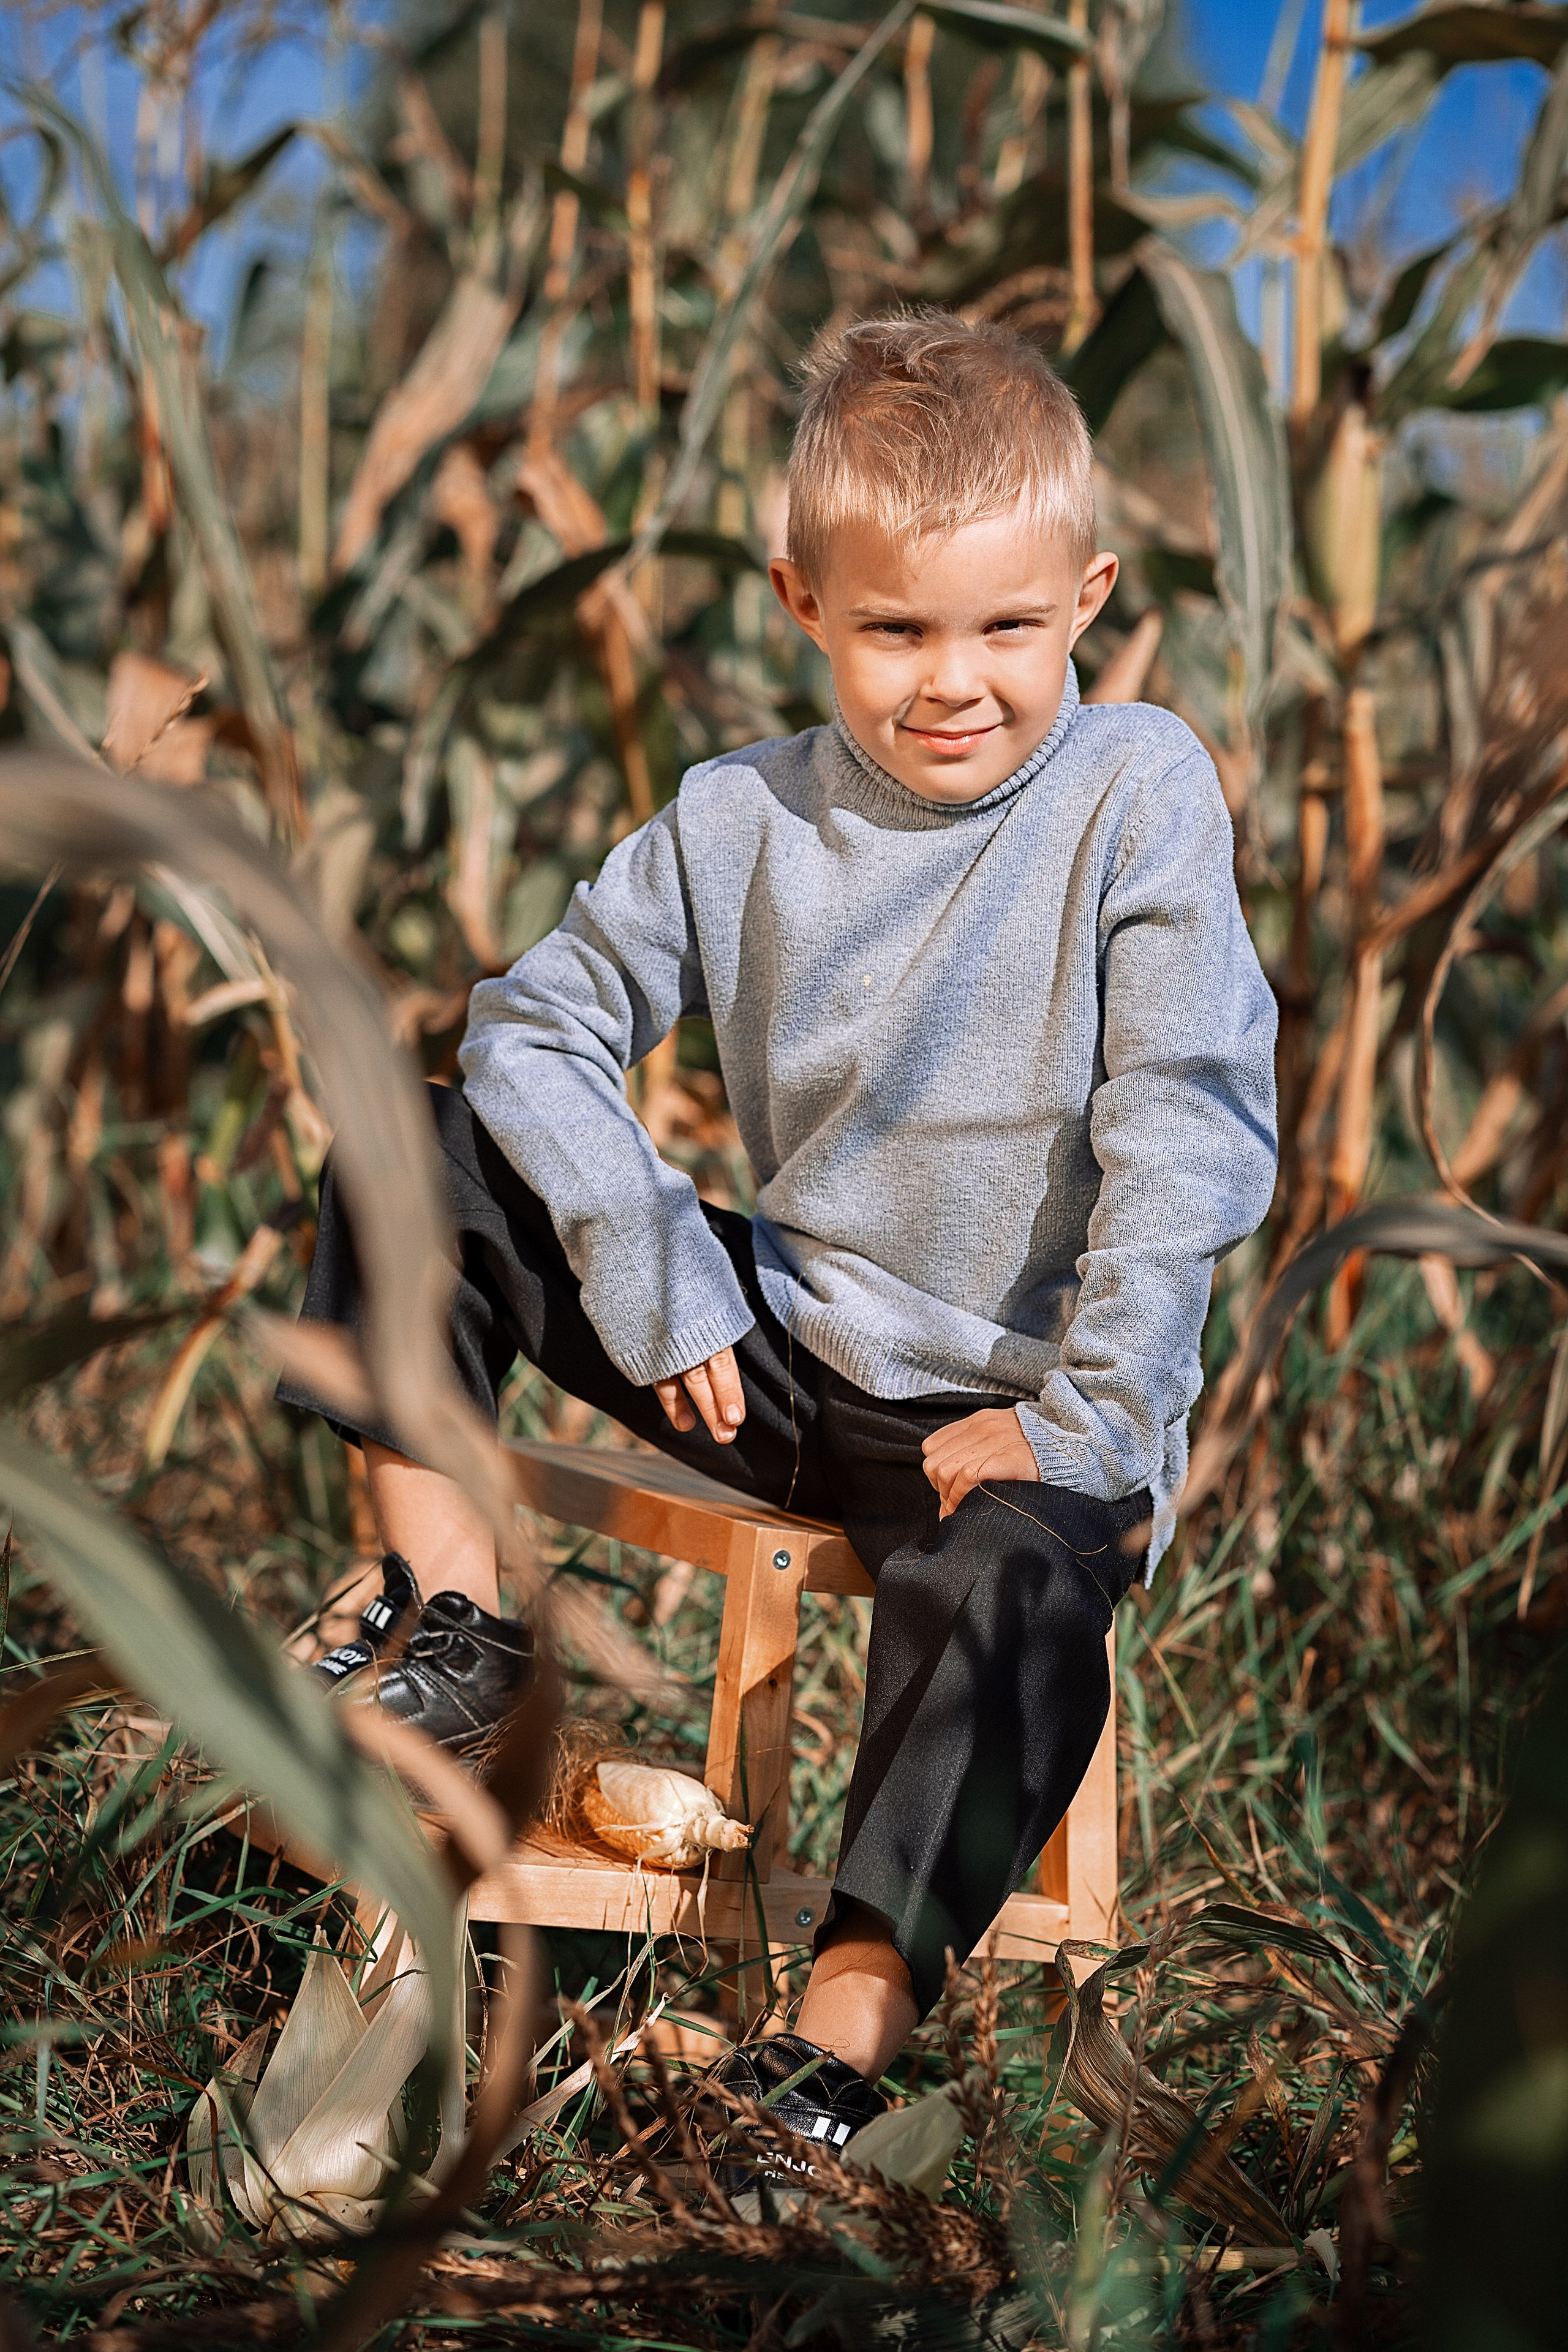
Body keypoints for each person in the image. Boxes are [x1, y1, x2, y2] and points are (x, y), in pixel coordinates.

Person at [279, 311, 1277, 2155]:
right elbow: (530, 1025)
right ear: (803, 600)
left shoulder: (1138, 790)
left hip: (1020, 1409)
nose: (953, 681)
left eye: (1008, 629)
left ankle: (843, 2022)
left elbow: (1189, 1131)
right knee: (405, 1147)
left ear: (1093, 600)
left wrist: (1088, 1423)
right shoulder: (738, 813)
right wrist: (655, 1274)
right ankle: (460, 1615)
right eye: (895, 628)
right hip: (770, 1353)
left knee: (1013, 1601)